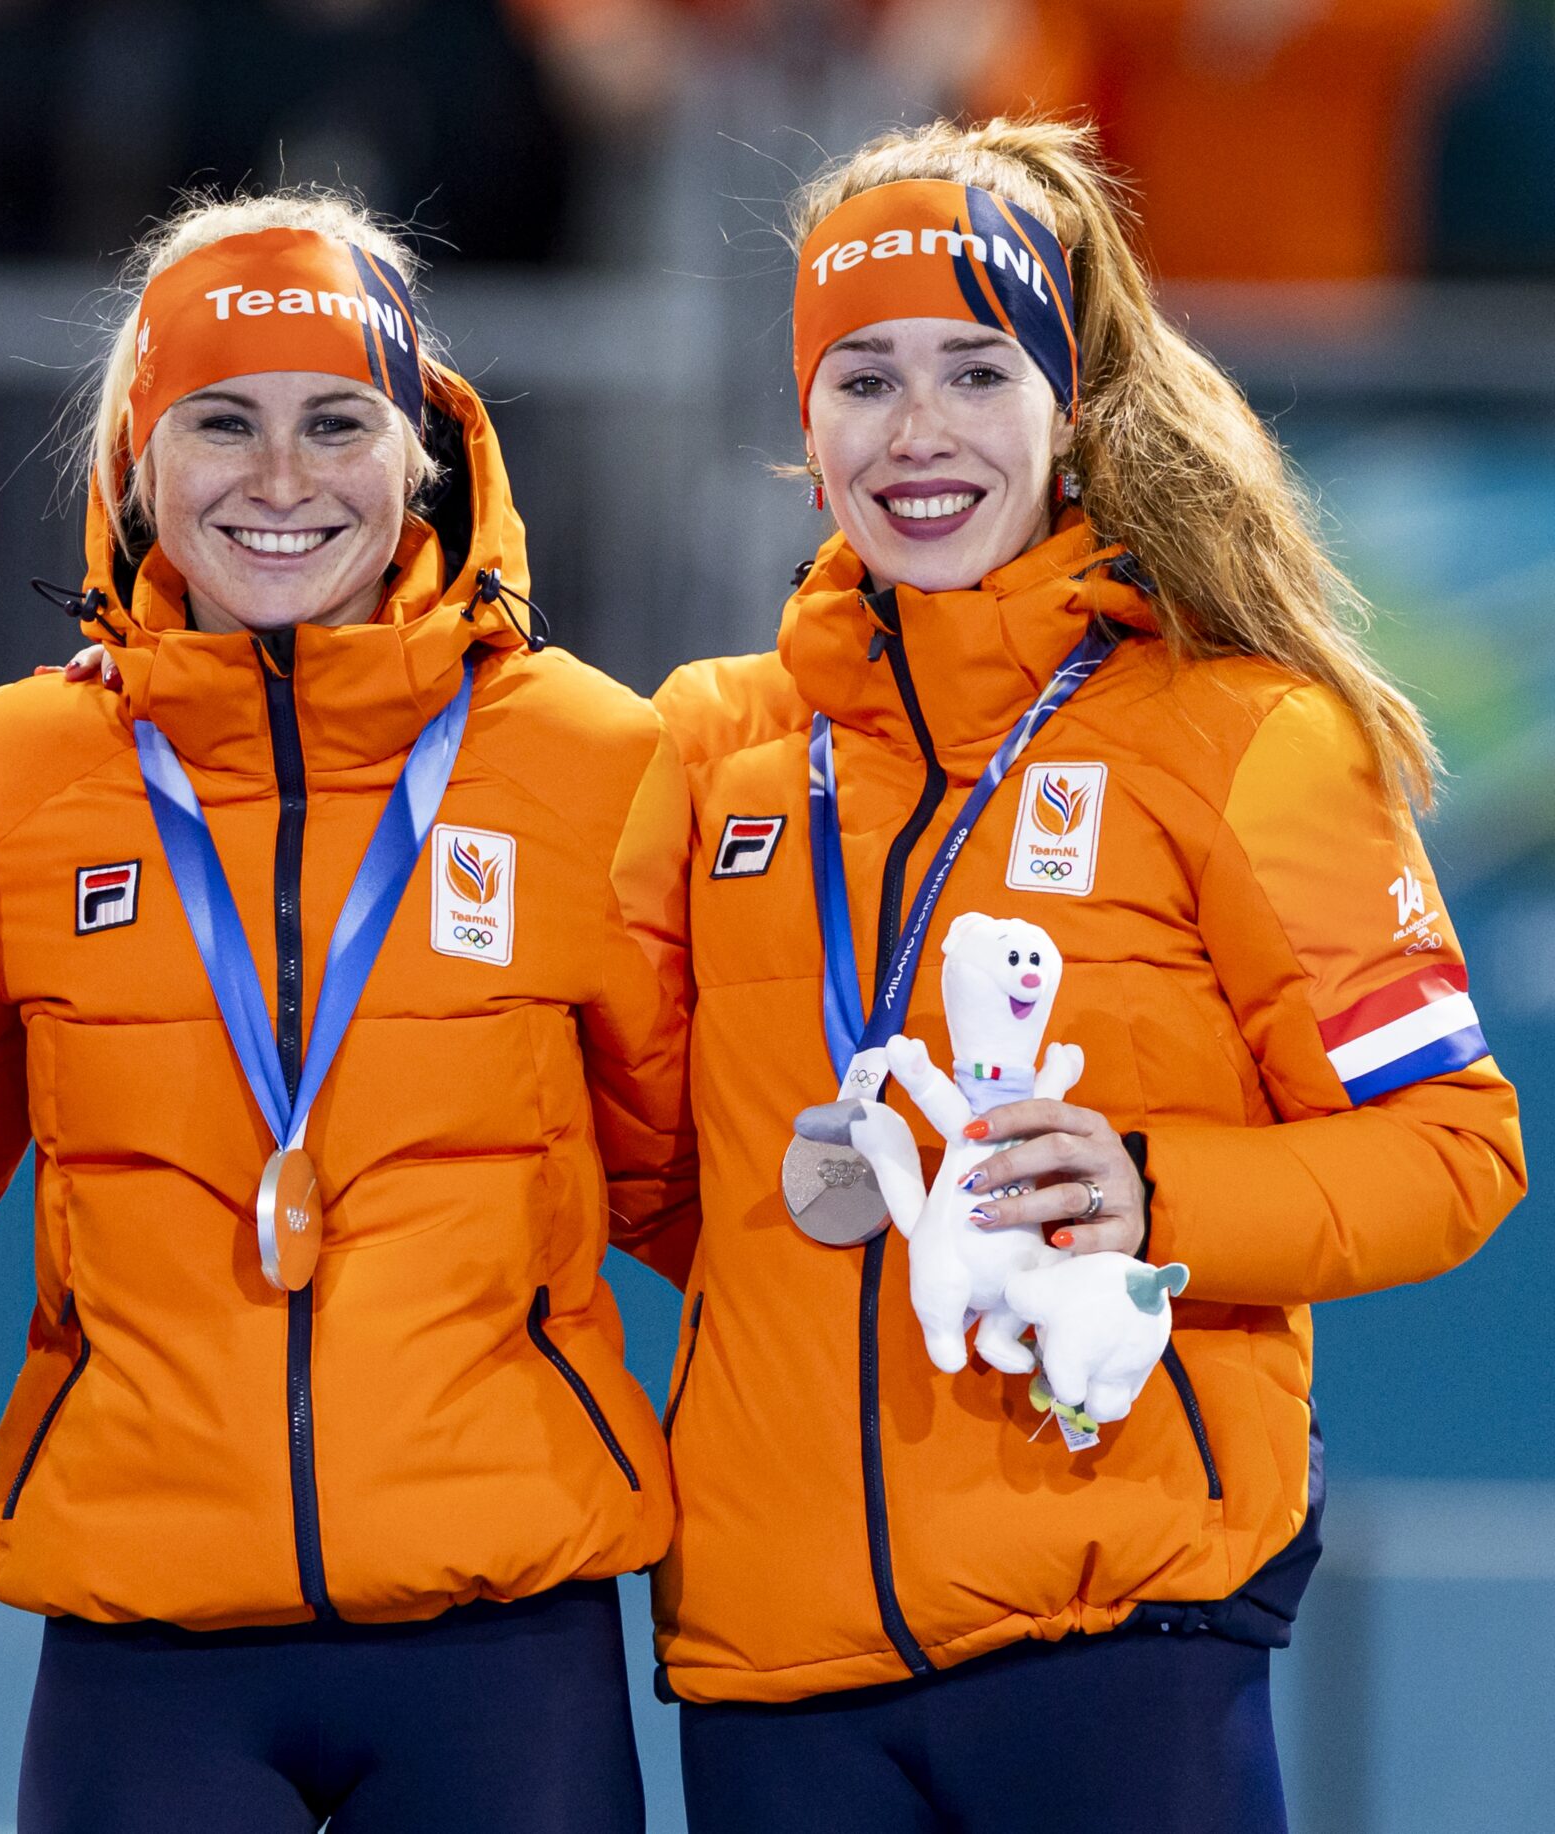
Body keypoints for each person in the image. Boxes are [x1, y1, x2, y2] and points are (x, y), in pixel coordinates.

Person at [649, 117, 1526, 1831]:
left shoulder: (1248, 734)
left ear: (1071, 404)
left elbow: (1454, 1148)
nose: (917, 432)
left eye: (977, 372)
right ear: (806, 429)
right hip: (772, 1656)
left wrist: (1149, 1189)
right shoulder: (706, 750)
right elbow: (602, 1138)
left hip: (1119, 1624)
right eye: (863, 380)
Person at [0, 191, 694, 1833]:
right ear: (137, 461)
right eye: (223, 423)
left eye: (337, 423)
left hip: (505, 1643)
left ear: (423, 453)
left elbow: (693, 1183)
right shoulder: (6, 775)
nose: (281, 479)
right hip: (148, 1650)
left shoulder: (595, 759)